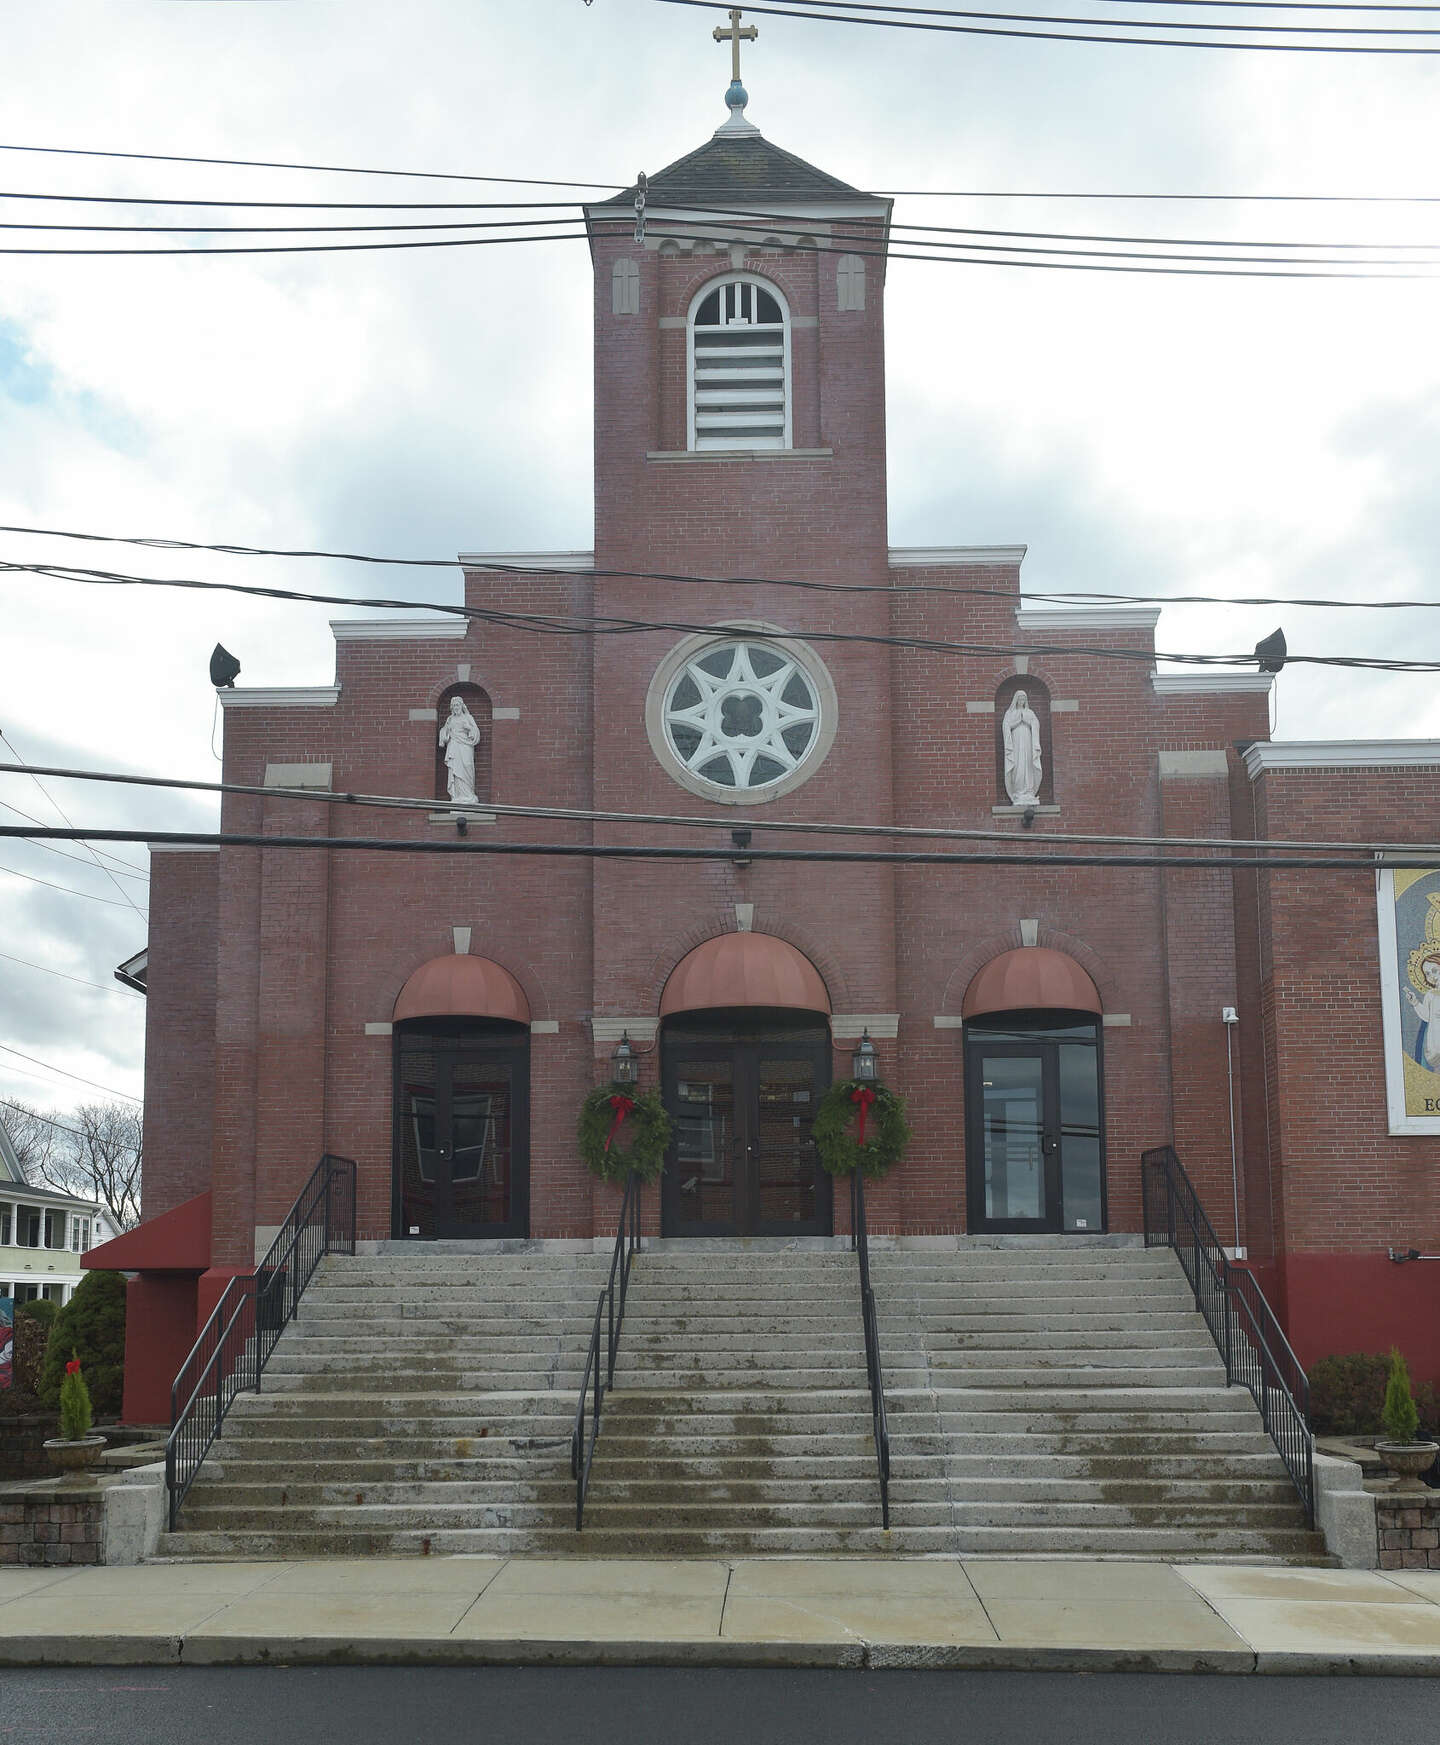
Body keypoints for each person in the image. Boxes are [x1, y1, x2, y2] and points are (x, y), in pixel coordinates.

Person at [1002, 689, 1043, 807]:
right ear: (1016, 700)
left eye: (1023, 699)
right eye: (1019, 699)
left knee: (1027, 764)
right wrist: (1017, 721)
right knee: (1018, 764)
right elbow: (1006, 725)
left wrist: (1027, 721)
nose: (1021, 701)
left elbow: (1036, 724)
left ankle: (1029, 792)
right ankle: (1018, 791)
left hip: (1028, 740)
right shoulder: (1010, 713)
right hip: (1015, 741)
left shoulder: (1030, 712)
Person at [438, 696, 481, 804]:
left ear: (462, 706)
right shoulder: (450, 719)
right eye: (454, 705)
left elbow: (476, 733)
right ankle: (457, 796)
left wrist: (469, 728)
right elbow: (444, 732)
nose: (456, 707)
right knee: (455, 771)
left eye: (458, 705)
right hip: (454, 746)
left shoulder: (468, 717)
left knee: (467, 766)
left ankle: (468, 794)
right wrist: (445, 733)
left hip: (466, 746)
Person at [1405, 952, 1440, 1070]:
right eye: (1427, 974)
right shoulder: (1431, 995)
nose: (1432, 976)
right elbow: (1426, 1016)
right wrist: (1415, 1002)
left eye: (1434, 970)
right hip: (1435, 1041)